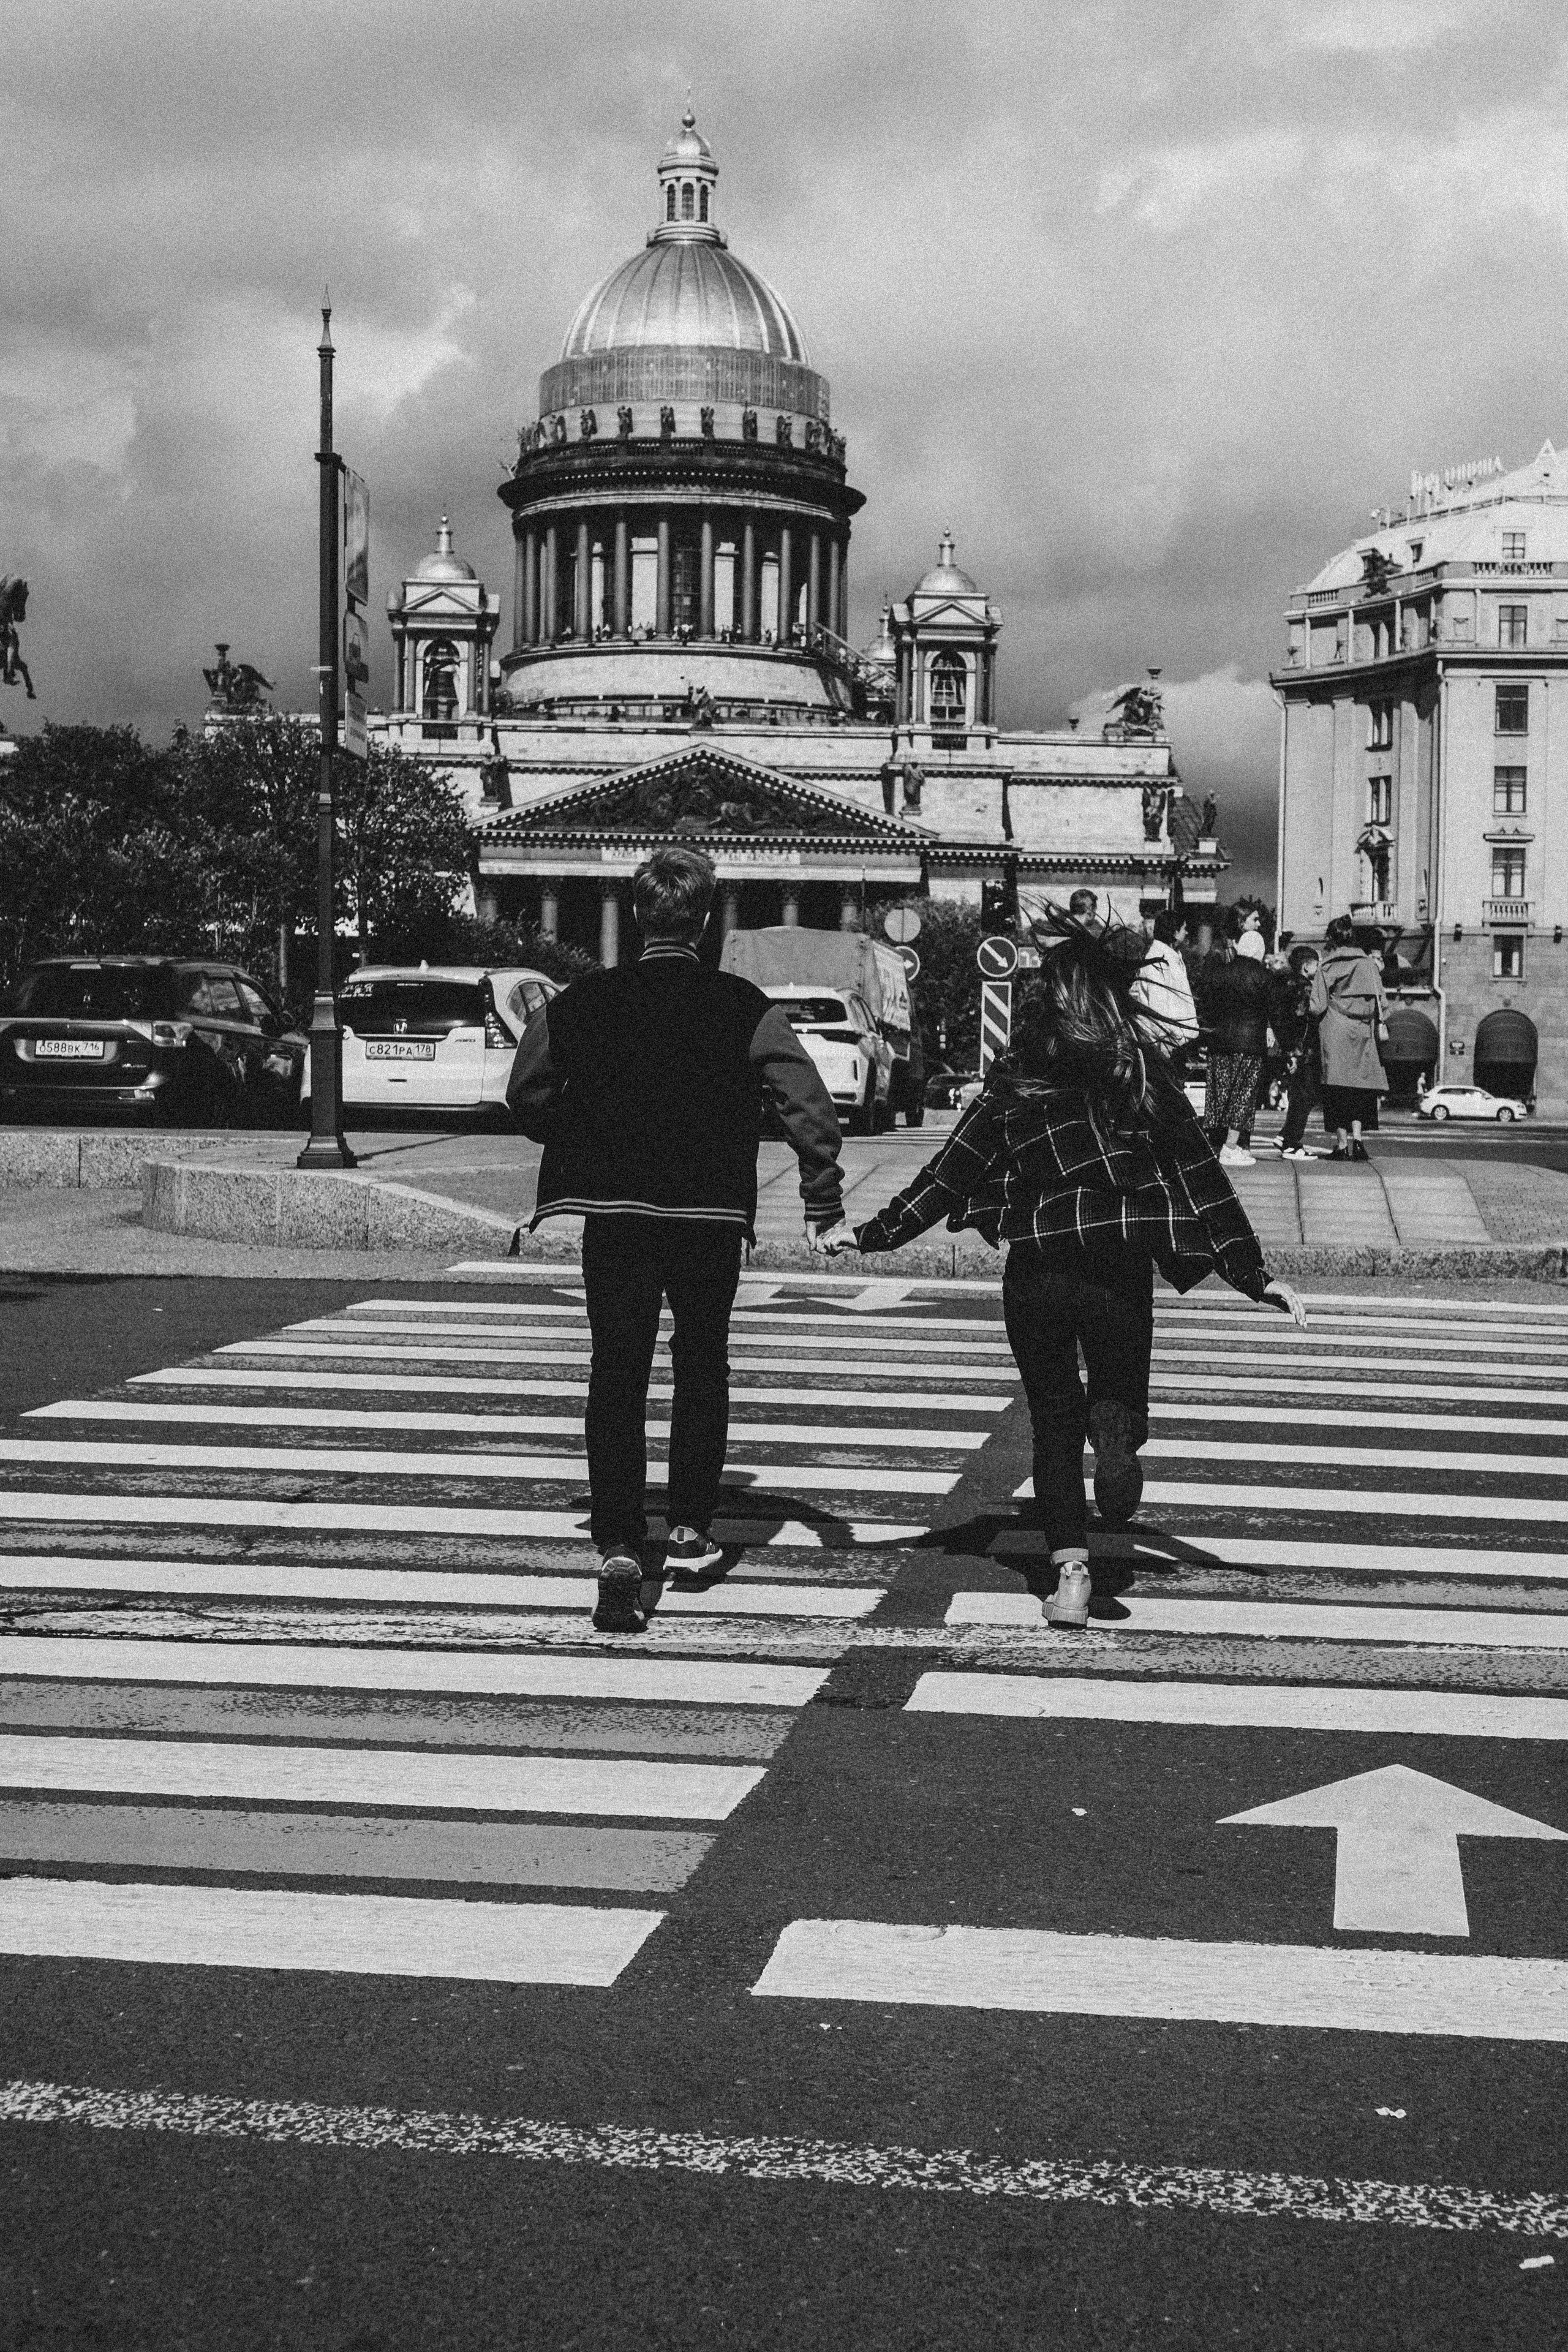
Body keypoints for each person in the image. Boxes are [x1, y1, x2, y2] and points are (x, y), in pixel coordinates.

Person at [826, 916, 1305, 1629]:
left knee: (1052, 1422)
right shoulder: (1139, 1072)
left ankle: (1071, 1576)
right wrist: (1253, 1274)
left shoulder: (1015, 1078)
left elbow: (946, 1176)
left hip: (1038, 1270)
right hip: (1118, 1267)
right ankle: (1116, 1439)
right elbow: (1200, 1175)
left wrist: (868, 1235)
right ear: (1113, 997)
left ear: (1045, 999)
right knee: (1115, 1393)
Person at [508, 845, 845, 1632]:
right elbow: (809, 1108)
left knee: (616, 1371)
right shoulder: (743, 1005)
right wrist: (819, 1199)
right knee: (702, 1361)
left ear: (636, 915)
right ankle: (691, 1523)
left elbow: (526, 1092)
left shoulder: (581, 1001)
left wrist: (581, 1132)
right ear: (703, 919)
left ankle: (621, 1537)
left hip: (616, 1213)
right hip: (707, 1216)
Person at [1197, 913, 1272, 1166]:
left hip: (1220, 1041)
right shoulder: (1262, 977)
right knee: (1243, 1094)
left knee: (1219, 1092)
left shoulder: (1222, 972)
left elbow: (1208, 1003)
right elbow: (1273, 1011)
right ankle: (1231, 1146)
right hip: (1249, 1043)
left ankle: (1214, 1143)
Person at [1312, 916, 1388, 1161]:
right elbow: (1382, 1004)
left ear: (1332, 938)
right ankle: (1359, 1142)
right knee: (1361, 1089)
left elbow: (1317, 1006)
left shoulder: (1327, 967)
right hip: (1363, 1031)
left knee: (1337, 1090)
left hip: (1335, 1030)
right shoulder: (1369, 965)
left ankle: (1342, 1146)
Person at [1268, 944, 1323, 1159]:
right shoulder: (1304, 987)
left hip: (1289, 1049)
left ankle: (1285, 1136)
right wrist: (1297, 1050)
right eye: (1316, 965)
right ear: (1307, 966)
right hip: (1303, 1051)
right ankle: (1292, 1143)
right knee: (1305, 1096)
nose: (1318, 969)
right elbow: (1302, 1020)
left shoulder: (1283, 984)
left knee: (1298, 1094)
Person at [1129, 907, 1197, 1060]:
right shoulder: (1157, 959)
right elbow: (1157, 1003)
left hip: (1176, 1044)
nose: (1187, 933)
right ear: (1174, 932)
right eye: (1184, 929)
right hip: (1163, 1046)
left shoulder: (1170, 957)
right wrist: (1164, 1043)